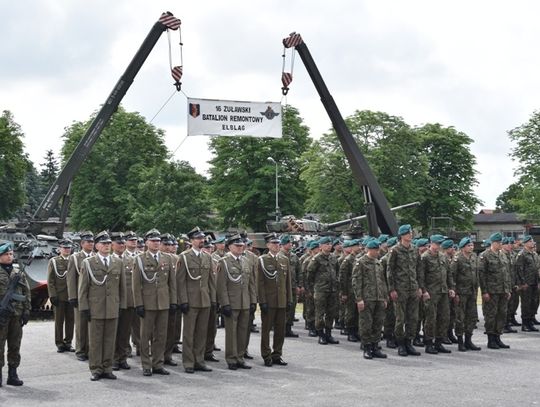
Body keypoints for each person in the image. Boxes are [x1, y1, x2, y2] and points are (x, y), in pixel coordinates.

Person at [79, 231, 126, 381]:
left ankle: (107, 368)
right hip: (96, 308)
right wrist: (84, 308)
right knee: (96, 340)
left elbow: (122, 287)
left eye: (108, 243)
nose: (106, 246)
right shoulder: (89, 263)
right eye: (103, 244)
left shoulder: (118, 262)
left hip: (112, 307)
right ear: (97, 246)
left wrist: (122, 305)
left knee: (109, 340)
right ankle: (96, 369)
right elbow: (83, 288)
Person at [132, 229, 177, 376]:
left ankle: (158, 363)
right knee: (145, 336)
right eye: (153, 240)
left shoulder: (167, 258)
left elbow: (172, 283)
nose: (156, 243)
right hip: (148, 302)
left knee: (161, 335)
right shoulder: (139, 259)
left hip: (163, 302)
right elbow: (136, 284)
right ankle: (146, 364)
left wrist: (173, 302)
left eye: (158, 241)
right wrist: (138, 304)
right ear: (146, 242)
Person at [177, 227, 215, 374]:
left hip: (204, 300)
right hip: (191, 301)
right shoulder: (184, 257)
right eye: (198, 239)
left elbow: (211, 281)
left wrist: (212, 300)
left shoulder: (207, 257)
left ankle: (199, 360)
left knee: (201, 333)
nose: (201, 241)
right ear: (191, 241)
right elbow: (180, 282)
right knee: (189, 333)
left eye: (202, 238)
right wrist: (183, 301)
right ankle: (188, 362)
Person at [217, 234, 257, 370]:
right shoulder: (224, 262)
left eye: (242, 245)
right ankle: (231, 358)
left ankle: (240, 357)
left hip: (244, 302)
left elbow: (251, 283)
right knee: (231, 332)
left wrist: (253, 301)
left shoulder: (246, 261)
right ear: (230, 247)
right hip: (232, 302)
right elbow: (221, 286)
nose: (241, 247)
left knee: (243, 331)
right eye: (237, 245)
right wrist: (225, 304)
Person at [387, 224, 422, 357]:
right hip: (400, 289)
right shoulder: (395, 250)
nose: (410, 235)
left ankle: (409, 343)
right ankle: (401, 344)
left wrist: (420, 287)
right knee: (400, 319)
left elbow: (418, 269)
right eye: (408, 233)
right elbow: (390, 271)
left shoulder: (414, 249)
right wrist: (392, 289)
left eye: (411, 232)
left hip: (413, 288)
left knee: (413, 318)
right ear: (402, 235)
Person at [258, 233, 292, 366]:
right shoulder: (262, 260)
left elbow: (288, 282)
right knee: (266, 329)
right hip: (269, 300)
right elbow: (260, 283)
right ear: (267, 245)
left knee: (280, 329)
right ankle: (266, 355)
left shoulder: (284, 259)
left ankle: (277, 354)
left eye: (278, 243)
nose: (276, 245)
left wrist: (289, 299)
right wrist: (262, 301)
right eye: (273, 243)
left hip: (282, 300)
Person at [417, 235, 455, 354]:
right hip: (431, 292)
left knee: (444, 317)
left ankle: (438, 342)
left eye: (440, 244)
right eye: (437, 244)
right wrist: (424, 291)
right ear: (431, 243)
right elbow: (420, 276)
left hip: (443, 291)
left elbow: (448, 274)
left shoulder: (442, 256)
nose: (438, 246)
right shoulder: (425, 257)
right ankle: (429, 343)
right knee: (430, 318)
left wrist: (451, 287)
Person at [0, 242, 30, 387]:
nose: (9, 256)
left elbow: (26, 292)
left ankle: (13, 374)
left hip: (17, 314)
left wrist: (26, 311)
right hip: (1, 315)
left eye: (11, 254)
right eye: (6, 254)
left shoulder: (18, 273)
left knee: (15, 345)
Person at [352, 239, 388, 359]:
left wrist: (384, 297)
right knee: (366, 323)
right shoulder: (360, 262)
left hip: (378, 297)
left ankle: (375, 346)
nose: (378, 252)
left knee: (378, 323)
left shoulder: (378, 263)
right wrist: (359, 299)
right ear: (369, 250)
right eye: (375, 250)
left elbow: (382, 281)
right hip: (367, 298)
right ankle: (366, 347)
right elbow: (356, 282)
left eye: (378, 249)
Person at [478, 232, 511, 349]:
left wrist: (507, 289)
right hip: (491, 291)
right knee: (491, 315)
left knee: (502, 314)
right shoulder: (485, 256)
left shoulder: (502, 255)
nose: (500, 244)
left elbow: (506, 273)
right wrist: (484, 291)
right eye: (498, 242)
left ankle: (498, 336)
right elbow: (482, 276)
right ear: (493, 243)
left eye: (501, 242)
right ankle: (491, 339)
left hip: (502, 290)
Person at [306, 236, 340, 345]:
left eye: (330, 244)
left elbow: (337, 272)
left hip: (332, 290)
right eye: (326, 244)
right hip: (321, 290)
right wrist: (312, 290)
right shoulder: (316, 259)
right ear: (320, 246)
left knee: (331, 313)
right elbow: (309, 275)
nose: (329, 246)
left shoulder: (333, 258)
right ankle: (321, 334)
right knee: (320, 313)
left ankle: (328, 334)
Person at [67, 231, 94, 361]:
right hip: (80, 296)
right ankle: (80, 350)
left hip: (94, 297)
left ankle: (91, 349)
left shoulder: (96, 256)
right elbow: (71, 278)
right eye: (88, 242)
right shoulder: (75, 257)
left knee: (93, 325)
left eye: (92, 242)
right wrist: (72, 296)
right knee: (81, 324)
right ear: (82, 243)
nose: (91, 244)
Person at [451, 237, 481, 351]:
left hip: (472, 291)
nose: (472, 247)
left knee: (472, 317)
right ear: (463, 247)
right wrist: (455, 292)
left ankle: (468, 340)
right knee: (460, 317)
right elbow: (452, 276)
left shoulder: (474, 257)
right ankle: (460, 341)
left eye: (472, 245)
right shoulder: (457, 259)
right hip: (461, 292)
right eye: (469, 246)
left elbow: (476, 273)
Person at [111, 232, 136, 371]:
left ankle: (122, 358)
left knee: (125, 332)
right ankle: (113, 359)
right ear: (112, 245)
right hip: (113, 301)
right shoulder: (108, 259)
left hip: (129, 301)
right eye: (118, 243)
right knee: (113, 332)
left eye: (122, 243)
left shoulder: (131, 259)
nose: (121, 245)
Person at [47, 239, 75, 353]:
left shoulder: (74, 261)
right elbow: (51, 280)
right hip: (59, 296)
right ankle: (59, 343)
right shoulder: (54, 261)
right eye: (65, 248)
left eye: (68, 248)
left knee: (71, 321)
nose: (67, 249)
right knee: (59, 321)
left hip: (71, 296)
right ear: (60, 249)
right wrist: (52, 295)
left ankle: (68, 342)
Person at [515, 235, 539, 332]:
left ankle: (530, 322)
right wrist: (522, 283)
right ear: (525, 243)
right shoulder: (522, 254)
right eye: (530, 241)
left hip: (534, 282)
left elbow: (536, 269)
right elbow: (519, 270)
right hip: (526, 284)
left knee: (532, 303)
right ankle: (525, 324)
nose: (532, 243)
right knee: (526, 304)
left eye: (532, 241)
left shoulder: (533, 254)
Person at [279, 235, 300, 338]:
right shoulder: (278, 256)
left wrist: (299, 285)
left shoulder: (294, 256)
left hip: (292, 286)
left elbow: (298, 272)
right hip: (281, 287)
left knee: (291, 307)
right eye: (288, 243)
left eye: (291, 243)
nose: (290, 244)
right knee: (282, 308)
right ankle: (280, 328)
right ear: (282, 244)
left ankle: (288, 328)